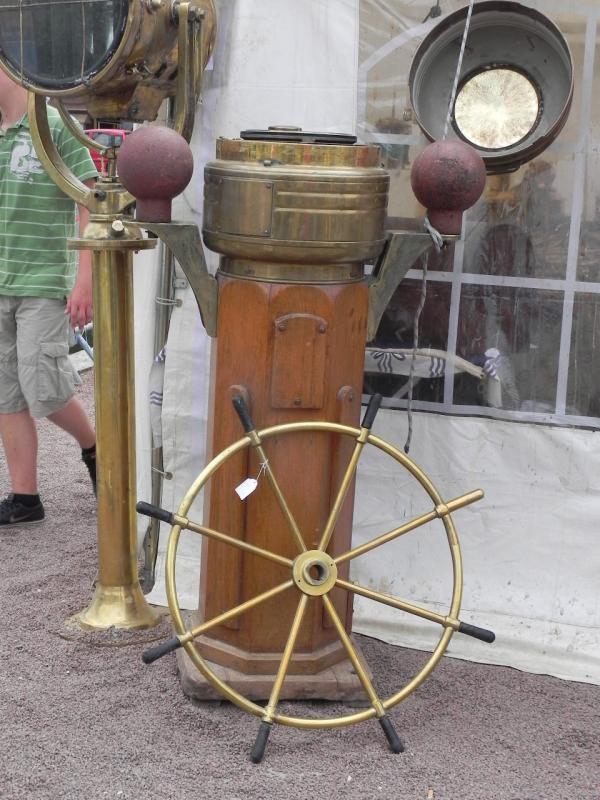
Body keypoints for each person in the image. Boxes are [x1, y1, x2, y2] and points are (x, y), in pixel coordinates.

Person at [0, 69, 98, 527]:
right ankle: (25, 499)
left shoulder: (53, 126)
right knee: (6, 395)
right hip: (2, 282)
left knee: (45, 387)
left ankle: (95, 448)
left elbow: (90, 201)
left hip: (43, 280)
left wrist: (85, 280)